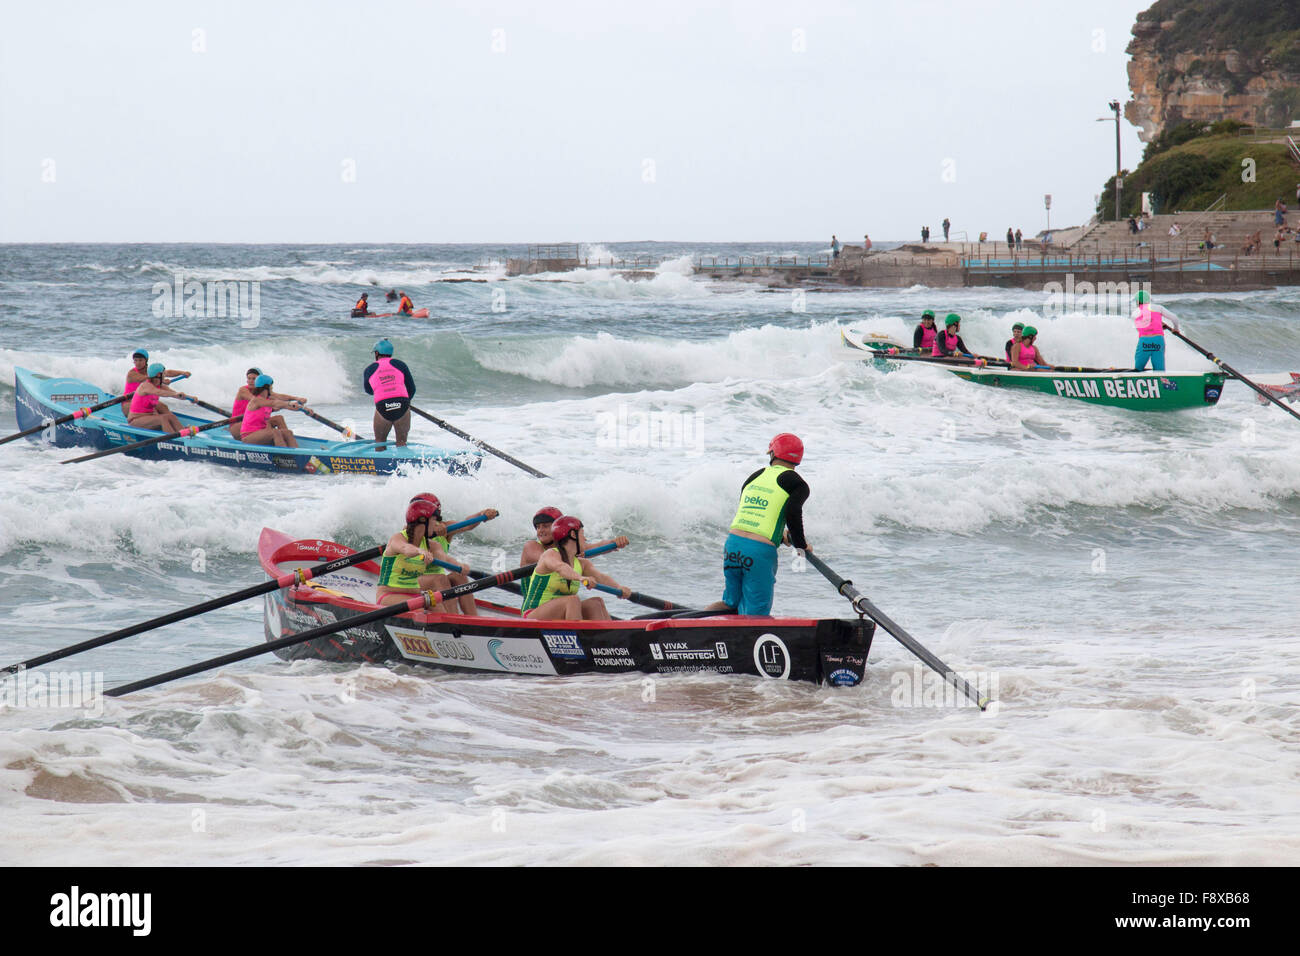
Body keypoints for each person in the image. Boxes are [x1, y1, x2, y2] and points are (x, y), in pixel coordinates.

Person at [704, 433, 810, 617]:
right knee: (757, 612)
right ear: (798, 459)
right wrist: (801, 545)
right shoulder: (798, 484)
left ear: (772, 453)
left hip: (733, 545)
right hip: (758, 552)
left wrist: (781, 535)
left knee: (730, 603)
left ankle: (698, 625)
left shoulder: (754, 477)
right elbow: (792, 513)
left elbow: (753, 512)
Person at [521, 516, 630, 620]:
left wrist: (619, 588)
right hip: (533, 615)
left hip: (559, 616)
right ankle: (577, 636)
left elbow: (601, 577)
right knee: (572, 600)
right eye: (582, 534)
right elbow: (561, 568)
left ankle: (607, 637)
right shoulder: (550, 554)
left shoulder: (581, 563)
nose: (585, 538)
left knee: (596, 603)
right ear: (573, 534)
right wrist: (581, 578)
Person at [406, 492, 496, 615]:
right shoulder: (409, 531)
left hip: (437, 584)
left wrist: (482, 514)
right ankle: (453, 621)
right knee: (440, 579)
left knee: (458, 576)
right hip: (413, 580)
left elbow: (467, 525)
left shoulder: (447, 528)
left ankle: (473, 619)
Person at [376, 500, 472, 609]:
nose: (436, 524)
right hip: (389, 595)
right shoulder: (398, 538)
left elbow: (444, 559)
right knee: (420, 609)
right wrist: (419, 551)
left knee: (440, 610)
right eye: (434, 520)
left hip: (416, 595)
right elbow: (406, 549)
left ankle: (456, 623)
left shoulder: (430, 545)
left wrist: (459, 566)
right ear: (423, 521)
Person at [362, 339, 415, 449]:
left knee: (380, 442)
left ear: (376, 353)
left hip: (382, 405)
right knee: (401, 443)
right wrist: (405, 403)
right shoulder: (401, 365)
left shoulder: (369, 369)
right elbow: (412, 389)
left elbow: (368, 390)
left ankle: (380, 463)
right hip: (402, 404)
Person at [229, 368, 307, 439]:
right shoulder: (243, 390)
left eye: (254, 379)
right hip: (238, 426)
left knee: (279, 419)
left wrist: (297, 399)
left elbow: (279, 396)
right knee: (268, 425)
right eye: (249, 378)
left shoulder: (264, 392)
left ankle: (287, 440)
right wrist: (275, 406)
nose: (251, 381)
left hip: (255, 423)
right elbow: (258, 401)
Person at [240, 375, 303, 448]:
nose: (272, 388)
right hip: (249, 436)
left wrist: (302, 407)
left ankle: (295, 454)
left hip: (262, 432)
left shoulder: (266, 398)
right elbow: (274, 403)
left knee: (288, 433)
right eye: (271, 386)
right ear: (266, 387)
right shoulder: (256, 400)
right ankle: (285, 456)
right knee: (275, 432)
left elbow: (283, 402)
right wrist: (289, 403)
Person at [127, 363, 193, 432]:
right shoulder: (145, 386)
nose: (165, 376)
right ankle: (172, 440)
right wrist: (175, 394)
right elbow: (159, 392)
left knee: (171, 417)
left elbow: (175, 394)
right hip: (135, 420)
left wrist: (191, 398)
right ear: (159, 375)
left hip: (150, 417)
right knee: (163, 418)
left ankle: (184, 434)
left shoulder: (160, 385)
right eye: (164, 374)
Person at [1131, 290, 1179, 372]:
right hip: (1158, 340)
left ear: (1138, 301)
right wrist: (1176, 329)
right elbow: (1174, 318)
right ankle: (1161, 382)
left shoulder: (1135, 313)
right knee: (1159, 370)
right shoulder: (1159, 308)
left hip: (1145, 342)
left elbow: (1140, 329)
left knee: (1138, 369)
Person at [122, 348, 188, 408]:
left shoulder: (151, 371)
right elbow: (144, 378)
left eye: (140, 360)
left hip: (143, 400)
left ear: (146, 360)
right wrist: (162, 380)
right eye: (135, 360)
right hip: (129, 401)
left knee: (164, 407)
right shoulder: (131, 374)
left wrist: (182, 373)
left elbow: (167, 372)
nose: (138, 363)